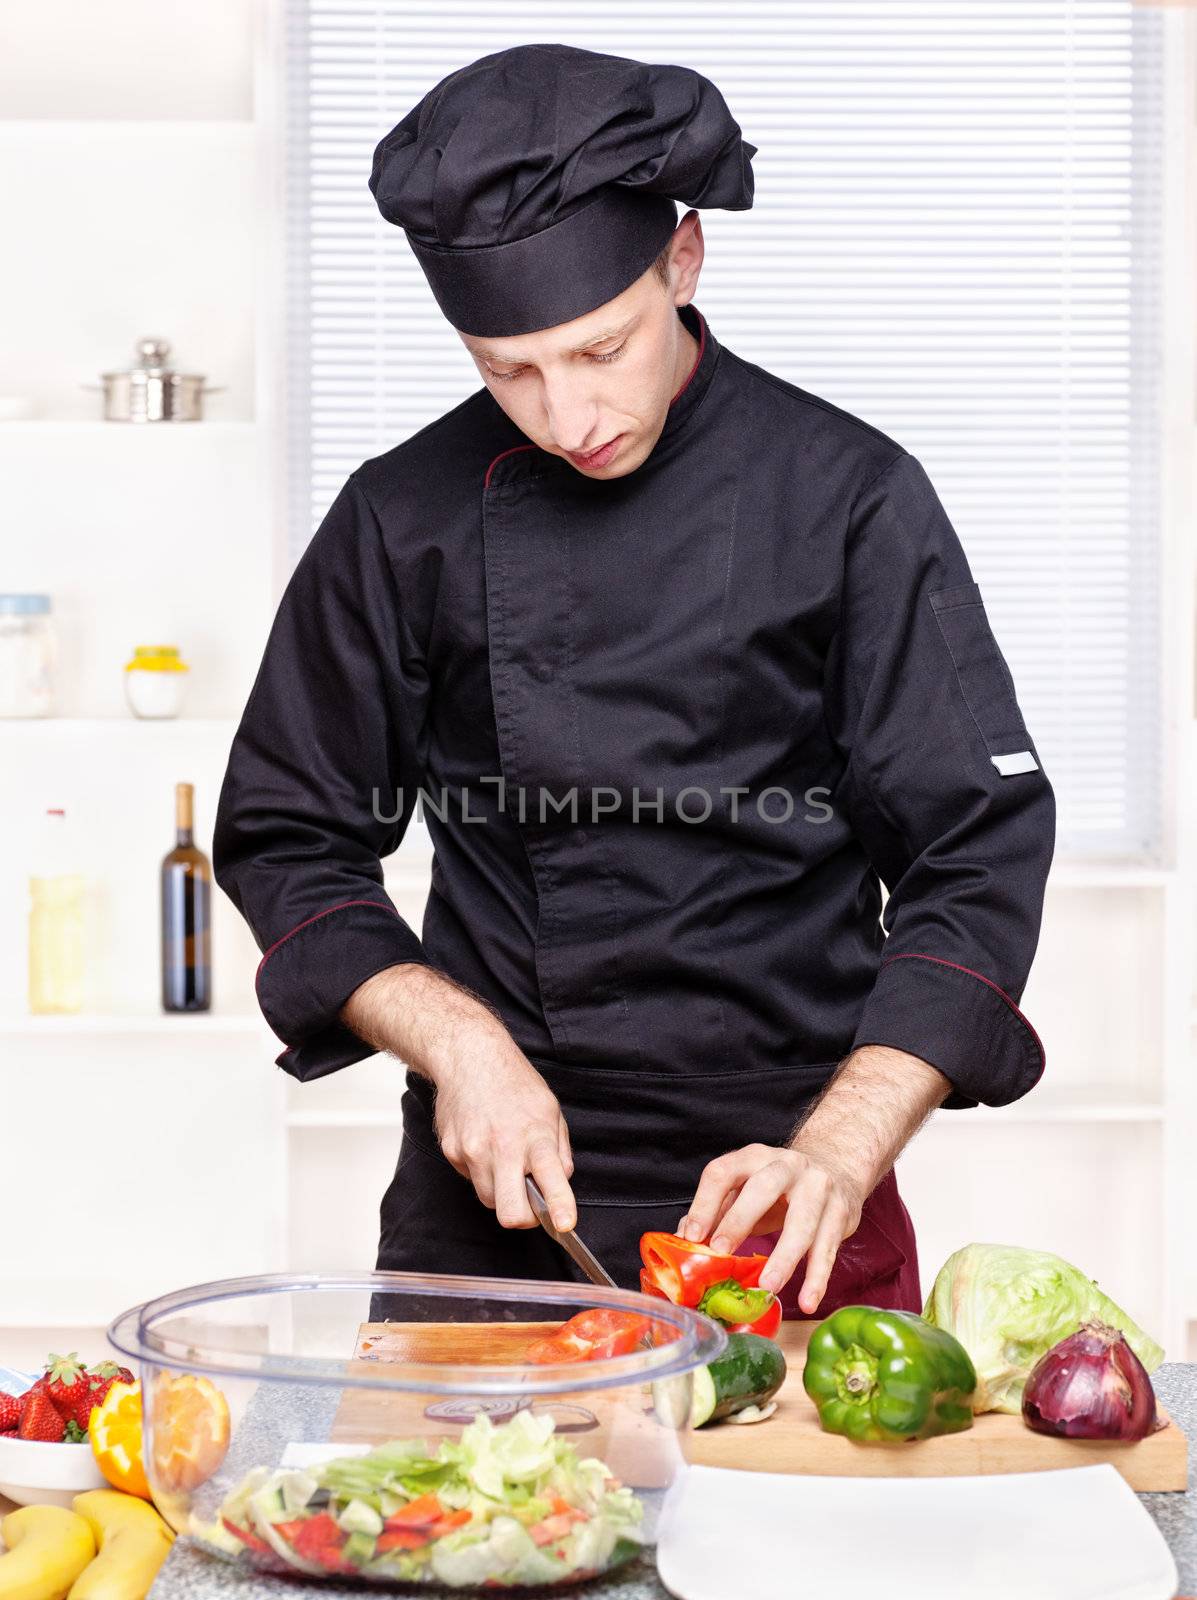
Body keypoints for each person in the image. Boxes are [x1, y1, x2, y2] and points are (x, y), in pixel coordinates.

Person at [214, 43, 1055, 1318]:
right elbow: (289, 834)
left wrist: (841, 1146)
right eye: (507, 369)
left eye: (601, 349)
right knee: (448, 1518)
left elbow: (975, 852)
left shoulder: (849, 495)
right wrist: (461, 1045)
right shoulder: (403, 516)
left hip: (791, 1187)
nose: (565, 415)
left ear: (684, 261)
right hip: (495, 1193)